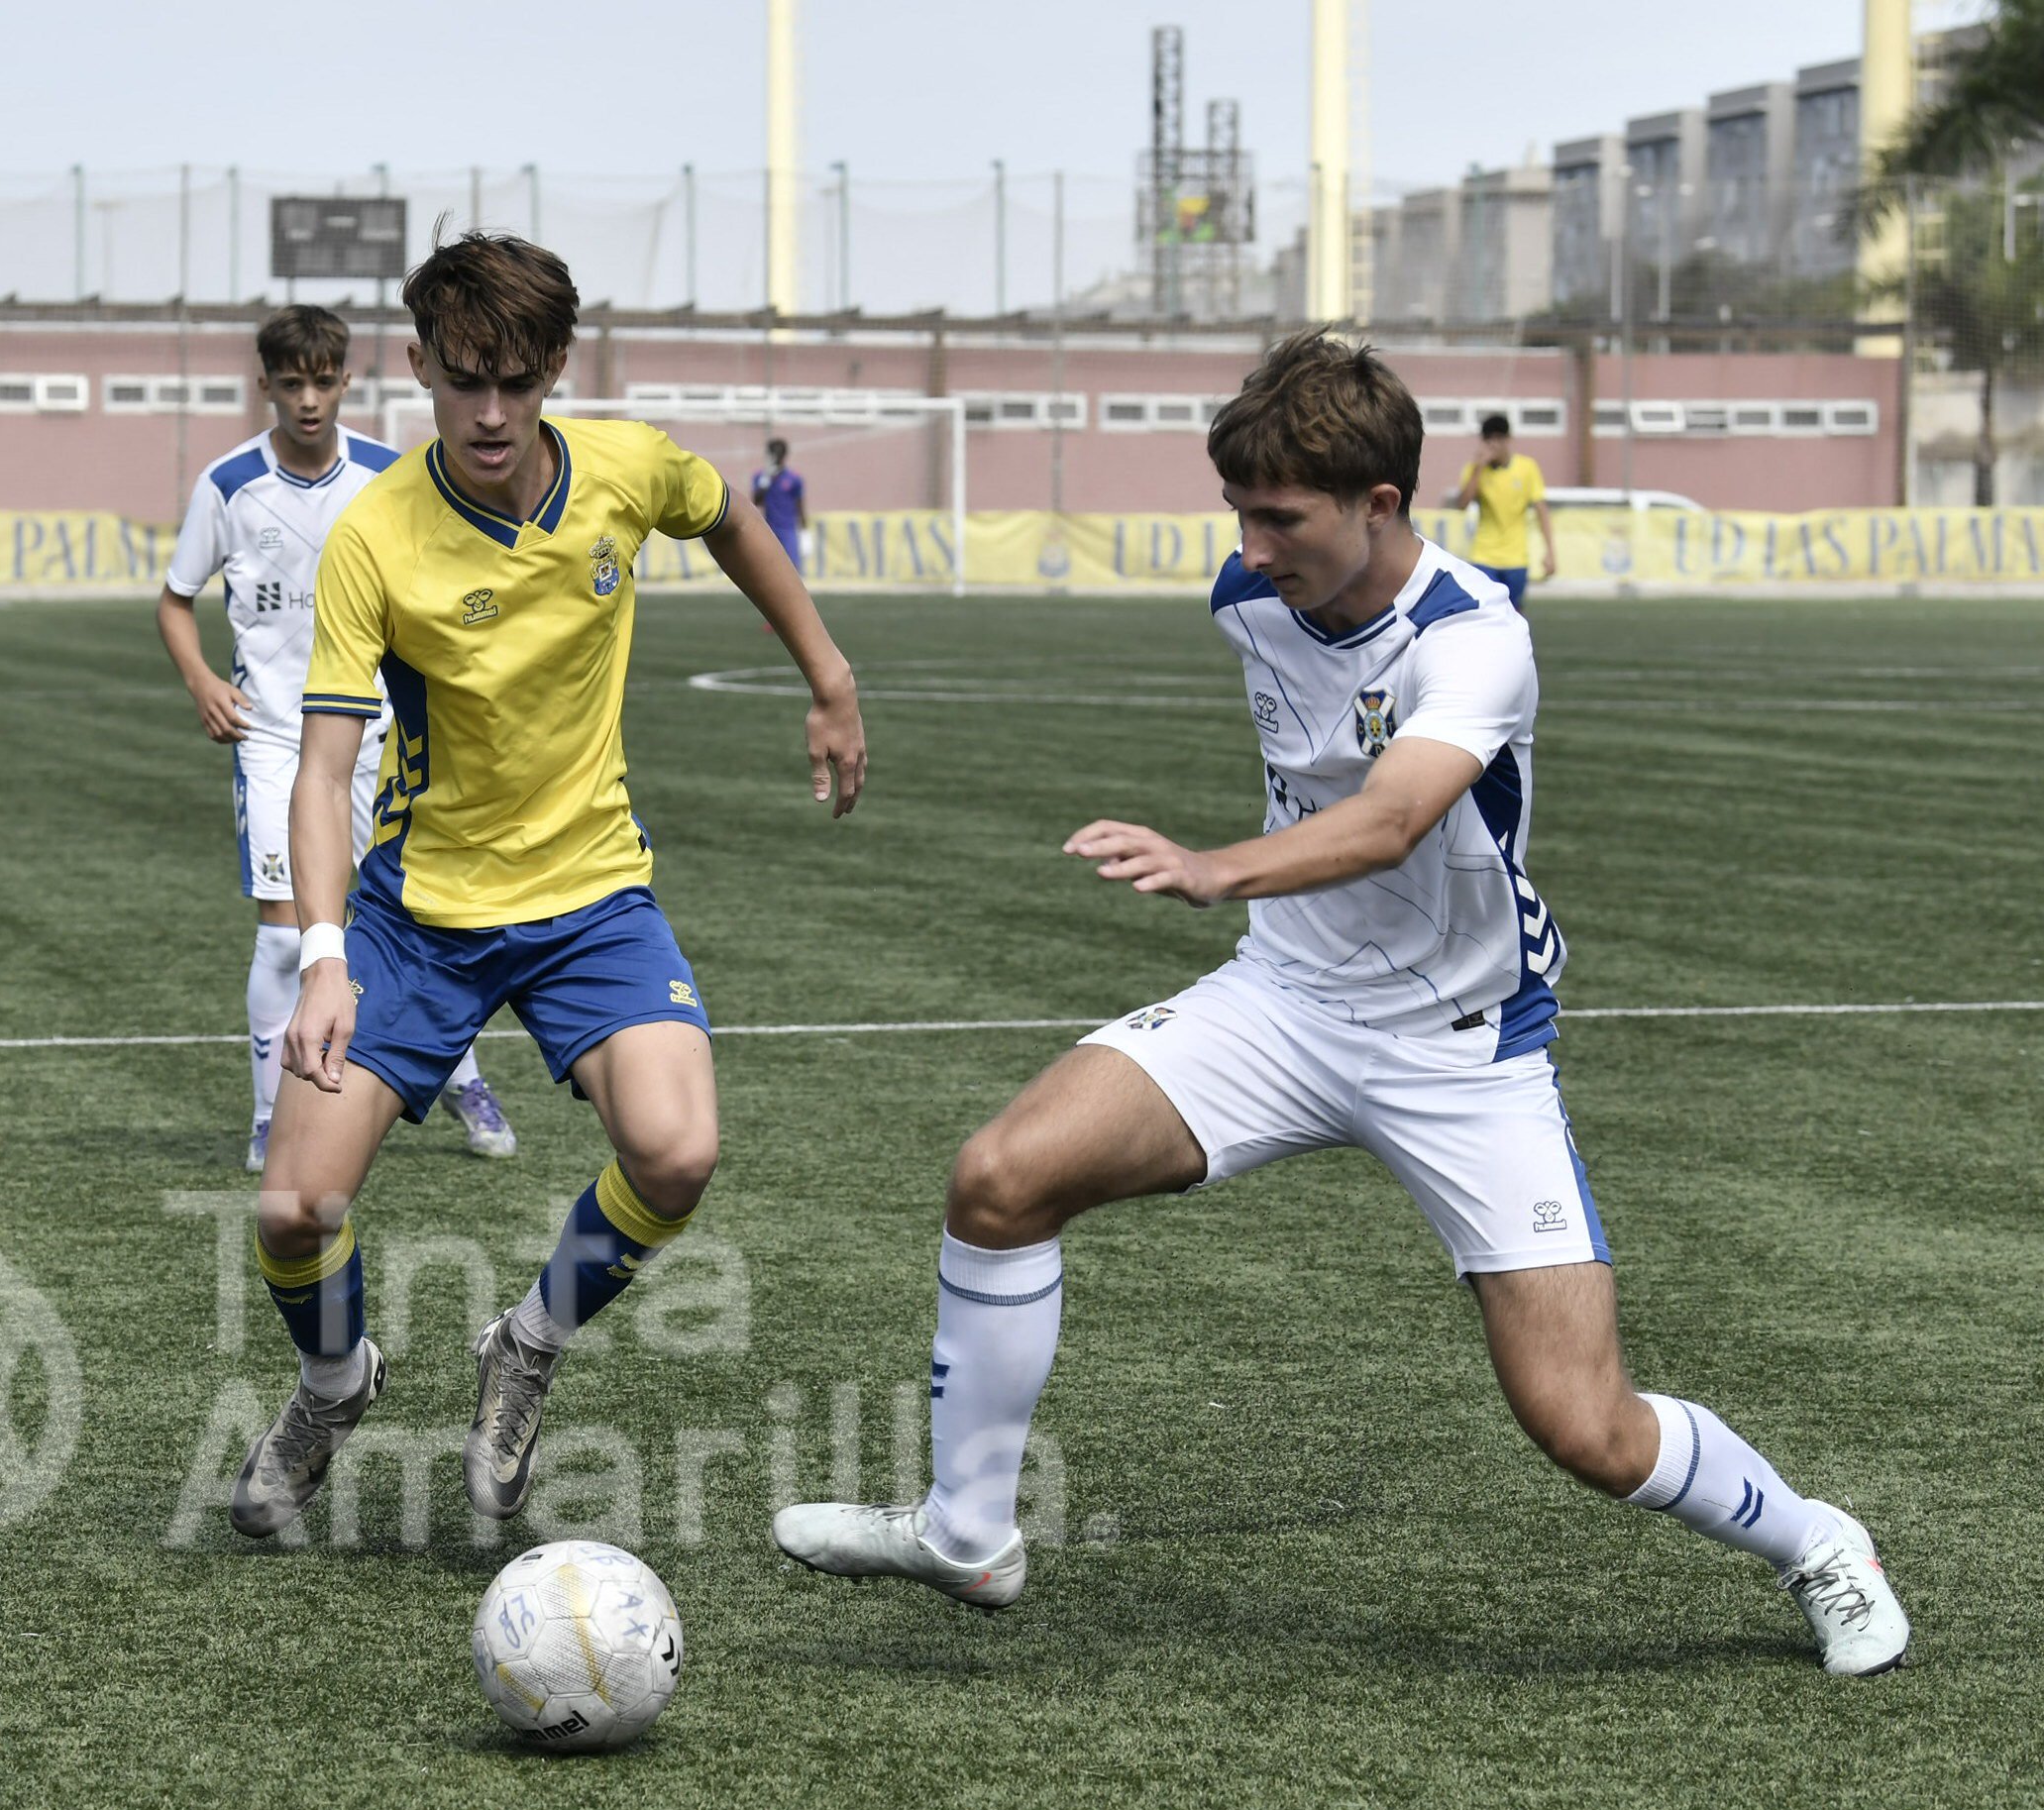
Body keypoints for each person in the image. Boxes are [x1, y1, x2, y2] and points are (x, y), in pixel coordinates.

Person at [771, 332, 1906, 1678]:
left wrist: (1213, 868)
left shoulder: (1477, 641)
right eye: (1239, 513)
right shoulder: (1246, 597)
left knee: (1584, 1424)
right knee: (1002, 1178)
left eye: (1280, 518)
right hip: (1283, 1006)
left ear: (1382, 505)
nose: (1250, 548)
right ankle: (967, 1532)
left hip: (1461, 1053)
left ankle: (1820, 1541)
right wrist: (1254, 899)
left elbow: (1391, 817)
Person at [230, 233, 867, 1538]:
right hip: (420, 917)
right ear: (417, 369)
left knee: (678, 1152)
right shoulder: (377, 538)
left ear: (558, 368)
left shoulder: (627, 468)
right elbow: (327, 762)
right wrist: (325, 954)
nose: (492, 413)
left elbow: (730, 518)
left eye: (519, 382)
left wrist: (830, 676)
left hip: (592, 899)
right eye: (464, 381)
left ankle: (523, 1345)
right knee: (296, 1209)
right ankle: (335, 1381)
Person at [158, 307, 516, 1173]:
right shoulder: (229, 484)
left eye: (324, 381)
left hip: (387, 739)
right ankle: (266, 1116)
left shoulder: (394, 477)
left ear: (347, 380)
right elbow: (175, 599)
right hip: (277, 741)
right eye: (291, 383)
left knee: (422, 925)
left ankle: (464, 1081)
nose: (308, 400)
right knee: (287, 939)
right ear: (267, 385)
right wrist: (205, 680)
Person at [1450, 411, 1556, 607]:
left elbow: (1542, 511)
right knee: (1485, 612)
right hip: (1483, 555)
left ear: (1508, 440)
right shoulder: (1474, 469)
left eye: (1498, 439)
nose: (1493, 445)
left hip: (1516, 558)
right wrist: (1479, 467)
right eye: (1488, 439)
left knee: (1514, 613)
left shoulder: (1527, 468)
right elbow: (1462, 504)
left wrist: (1549, 552)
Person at [752, 436, 807, 575]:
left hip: (788, 530)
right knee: (767, 569)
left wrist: (805, 532)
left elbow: (800, 505)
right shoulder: (760, 476)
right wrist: (766, 480)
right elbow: (756, 501)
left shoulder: (794, 478)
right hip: (768, 529)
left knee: (792, 570)